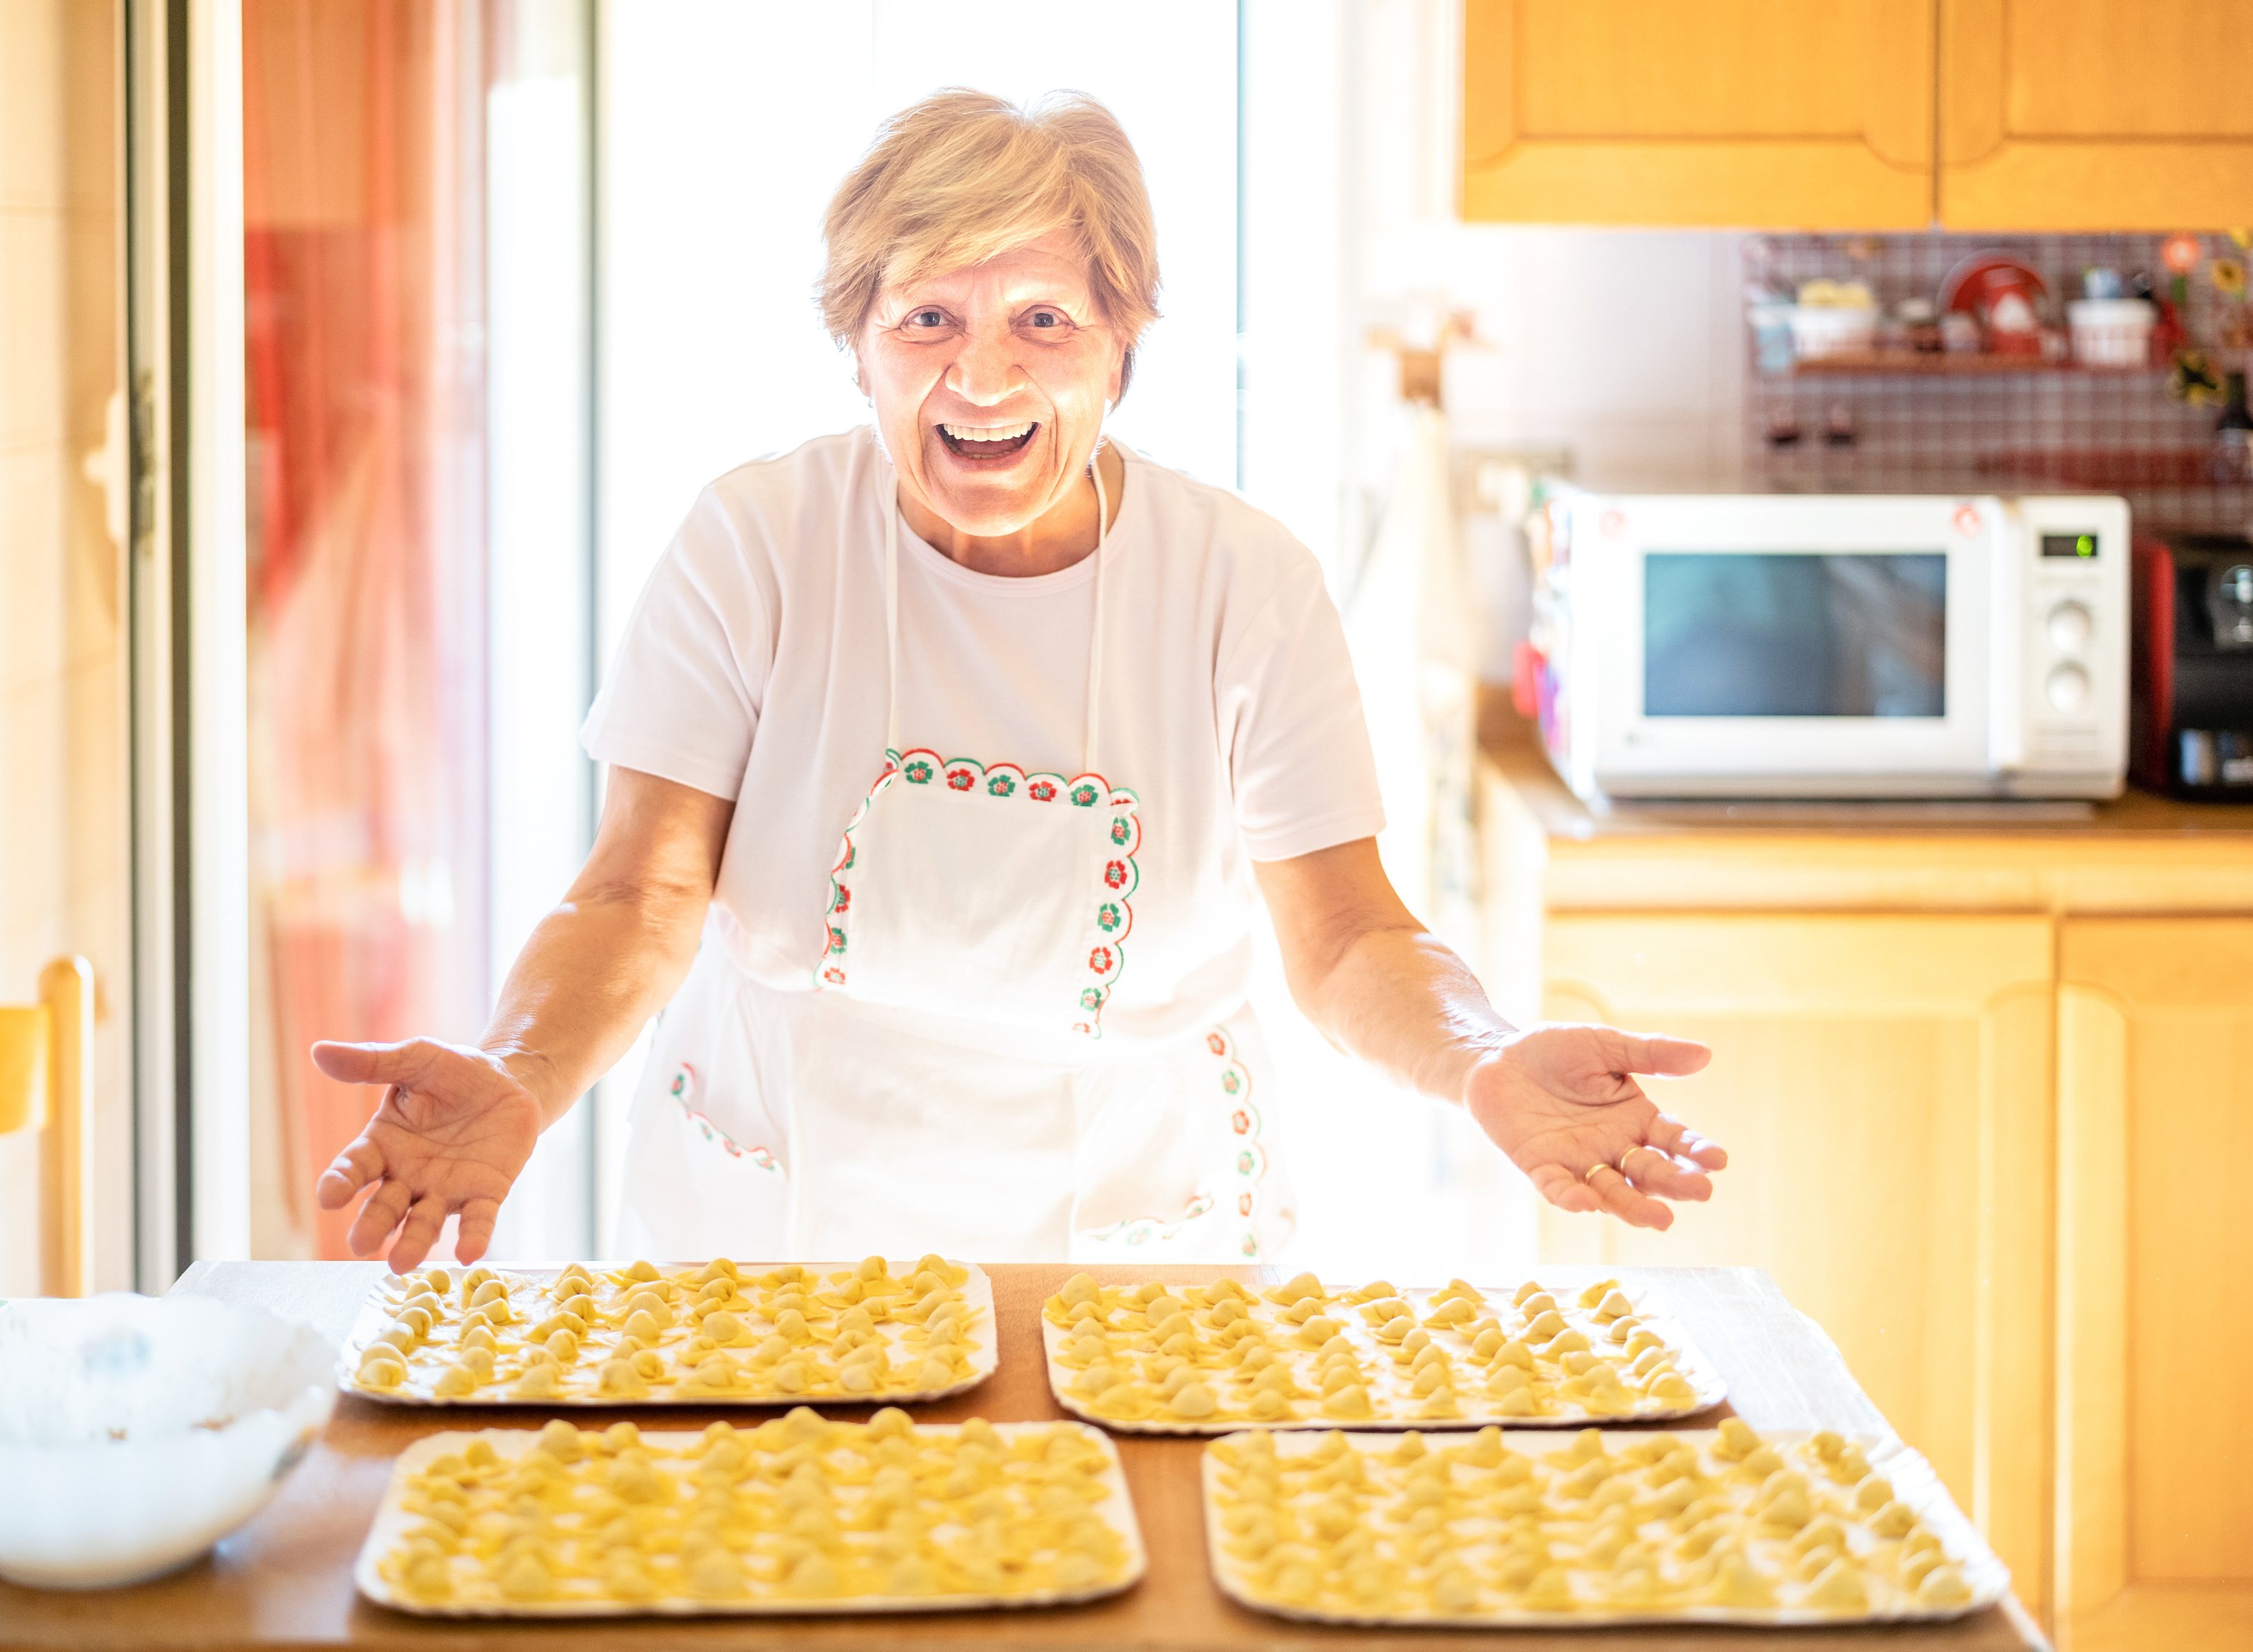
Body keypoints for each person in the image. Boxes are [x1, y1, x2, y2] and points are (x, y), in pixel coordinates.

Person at [311, 89, 1724, 1272]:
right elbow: (637, 892)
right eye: (927, 318)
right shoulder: (759, 542)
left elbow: (1349, 937)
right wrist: (521, 1066)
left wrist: (1478, 1053)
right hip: (779, 1228)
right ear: (854, 348)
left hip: (1137, 1245)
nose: (981, 375)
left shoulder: (1241, 583)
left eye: (1042, 320)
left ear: (1124, 349)